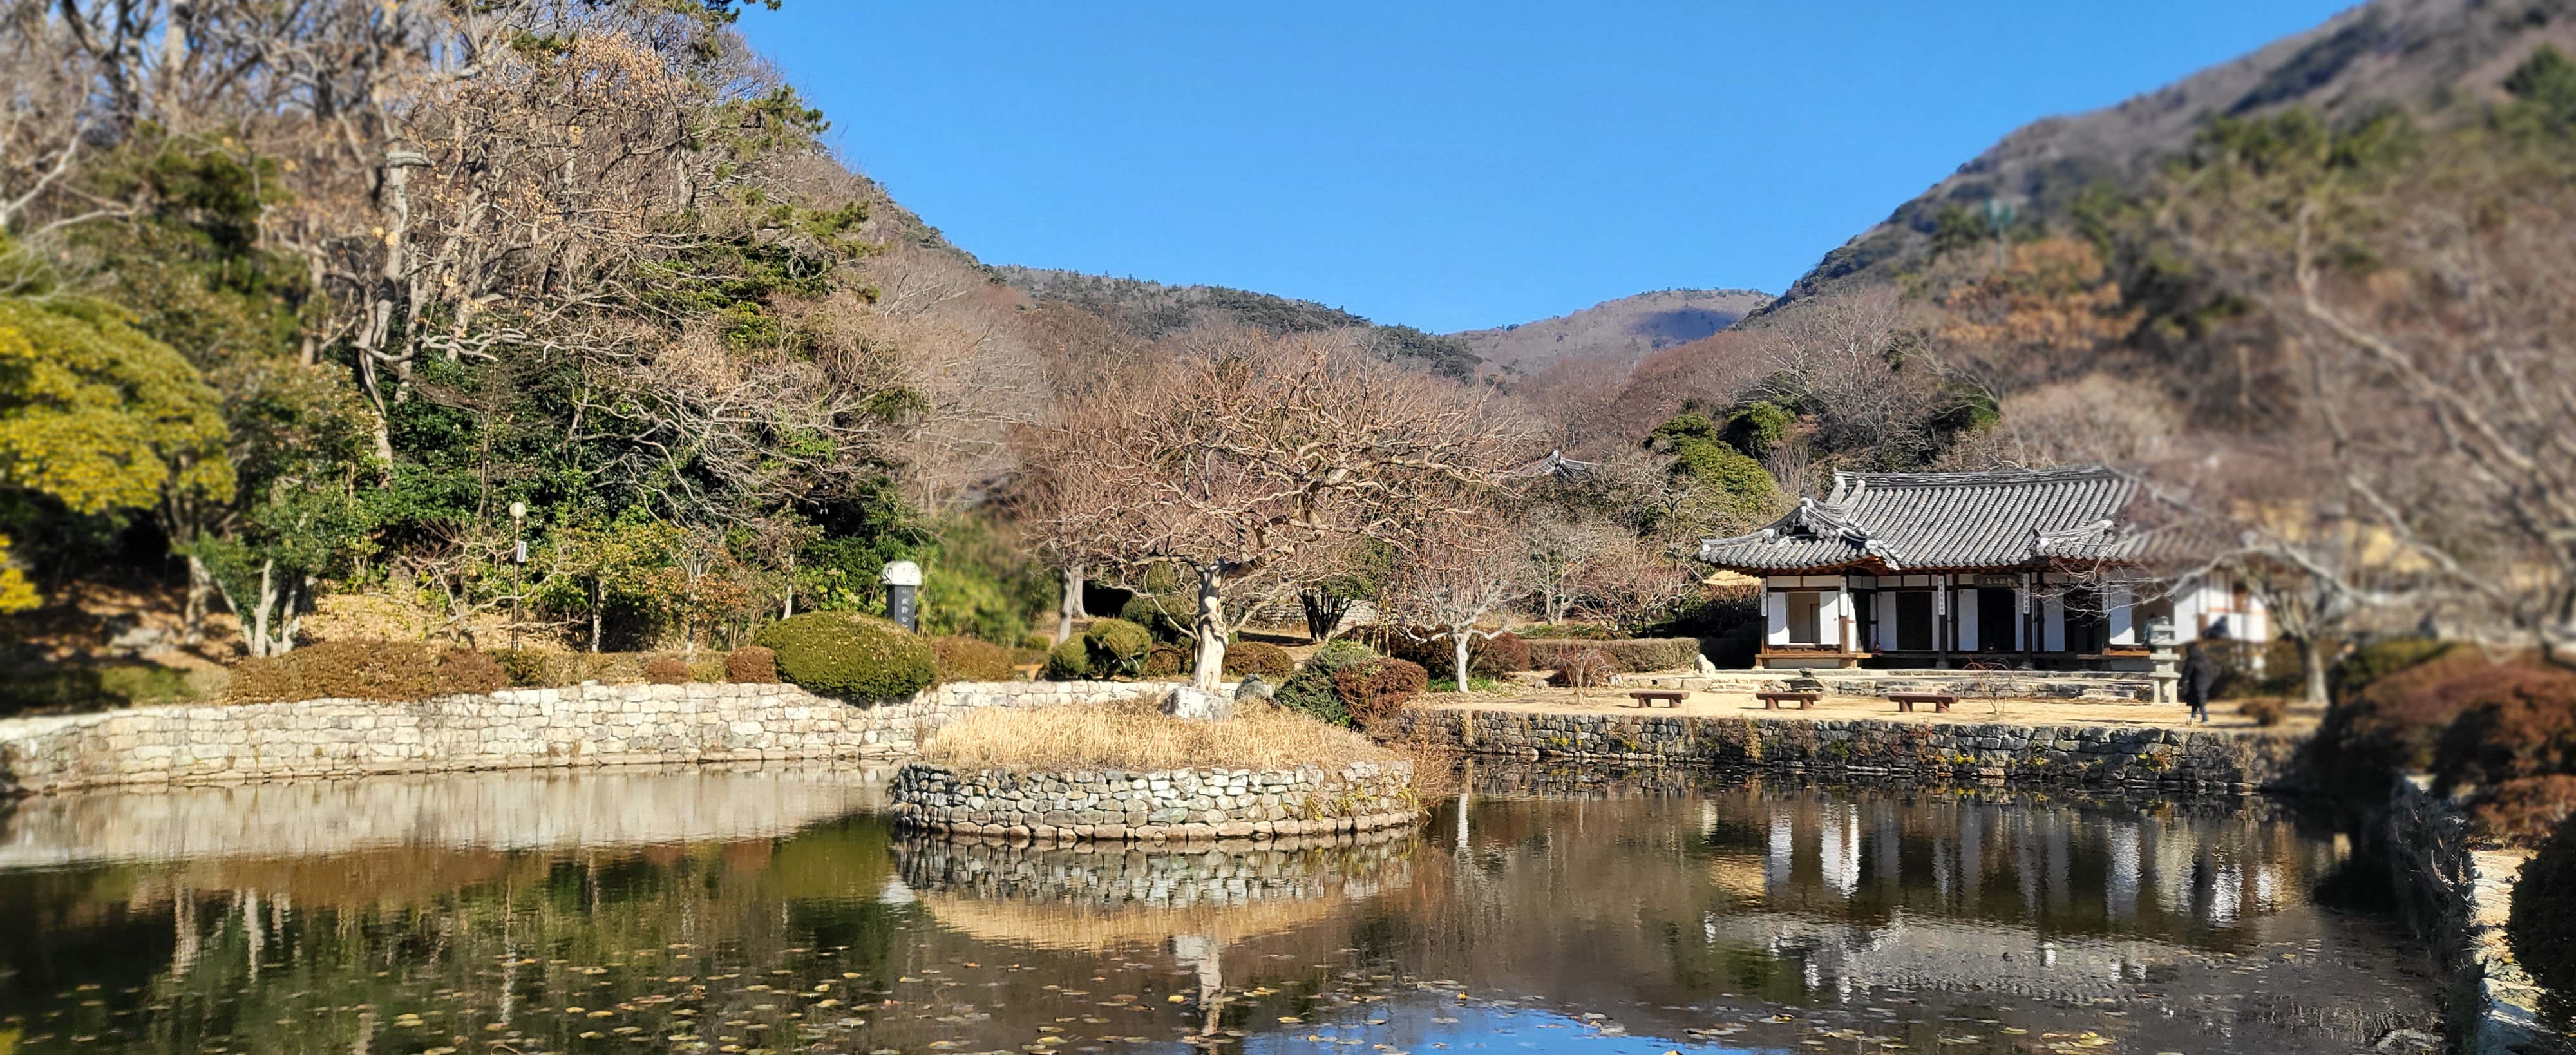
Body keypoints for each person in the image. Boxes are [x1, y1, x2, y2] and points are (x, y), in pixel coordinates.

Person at [2180, 640, 2218, 724]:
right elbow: (2211, 671)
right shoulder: (2204, 658)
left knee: (2200, 701)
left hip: (2197, 683)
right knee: (2196, 700)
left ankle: (2205, 718)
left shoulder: (2192, 659)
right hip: (2205, 682)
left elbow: (2186, 672)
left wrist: (2180, 683)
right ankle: (2193, 717)